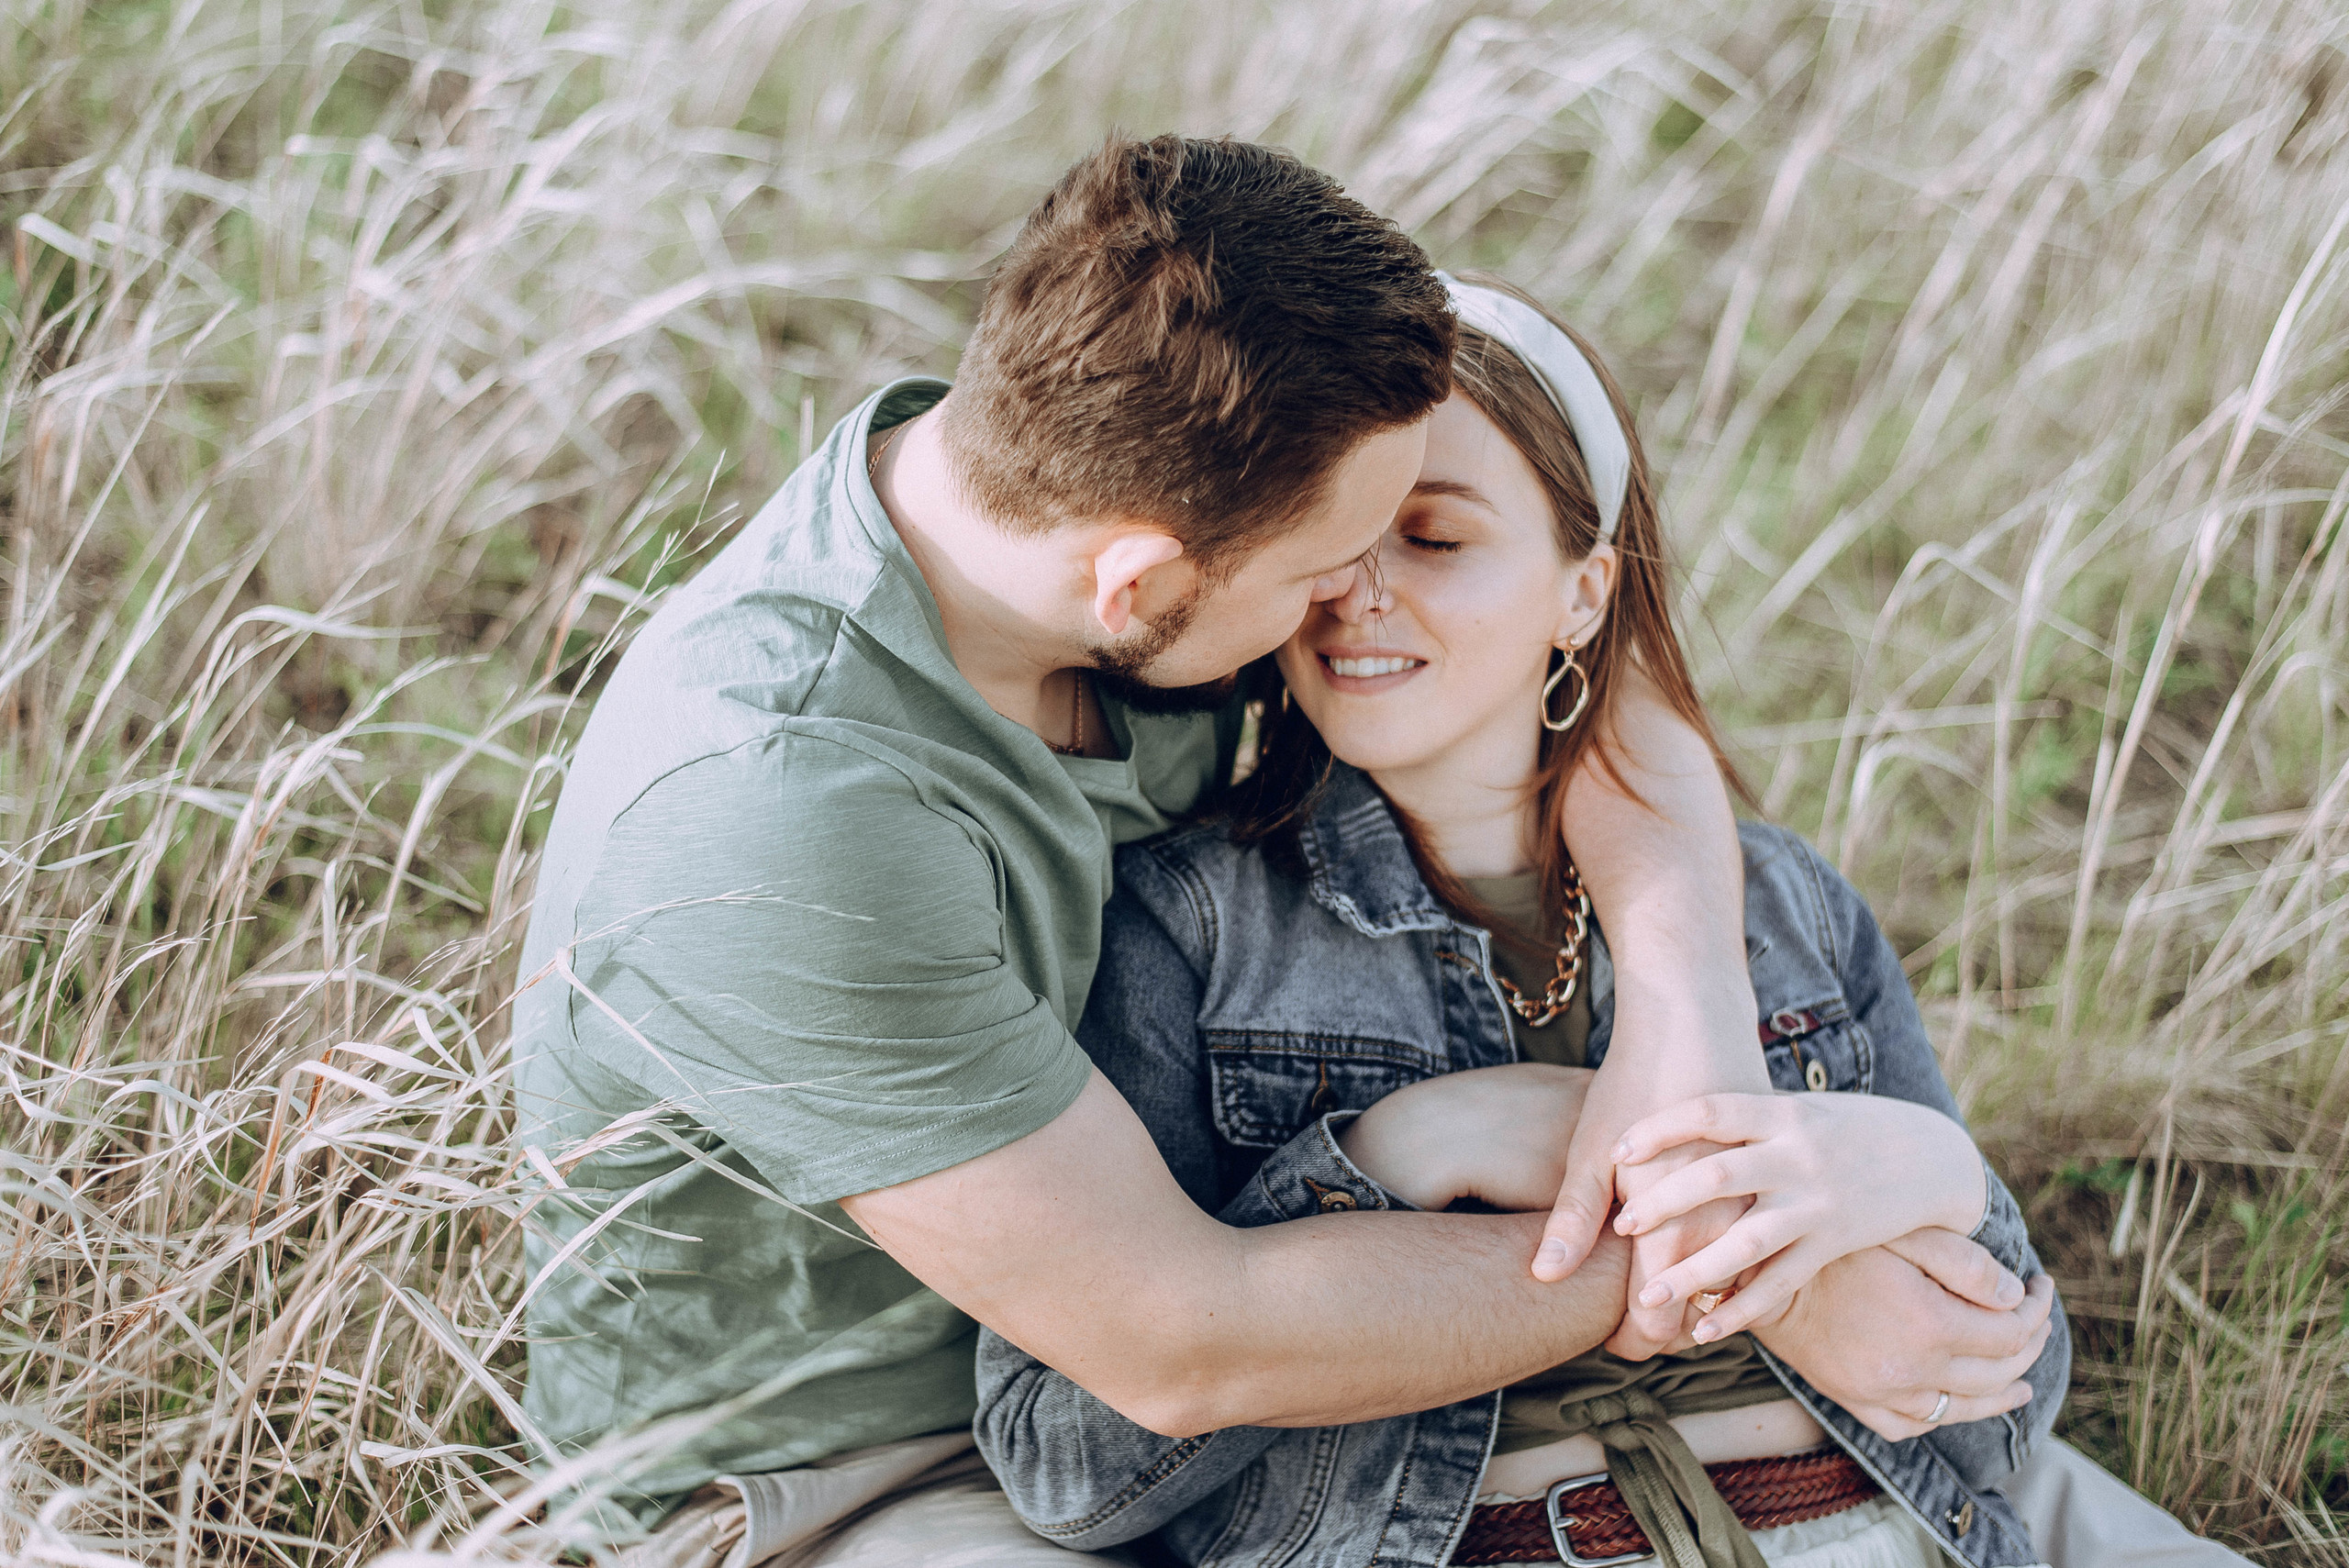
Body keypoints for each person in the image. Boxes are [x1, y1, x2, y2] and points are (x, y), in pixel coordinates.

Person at [512, 136, 1855, 1562]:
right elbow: (1180, 1347)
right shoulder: (773, 808)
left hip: (1191, 1398)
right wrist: (1765, 1259)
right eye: (1322, 571)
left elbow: (1574, 662)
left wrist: (1687, 1003)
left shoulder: (1088, 486)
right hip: (859, 1479)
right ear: (1142, 580)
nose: (1352, 606)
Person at [973, 277, 2256, 1568]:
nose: (1357, 591)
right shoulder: (1189, 928)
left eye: (1434, 537)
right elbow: (1065, 1459)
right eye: (1332, 536)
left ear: (1581, 595)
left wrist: (1921, 1169)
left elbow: (2004, 1422)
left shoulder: (1779, 904)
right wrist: (1396, 1151)